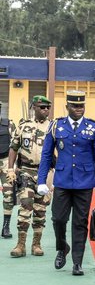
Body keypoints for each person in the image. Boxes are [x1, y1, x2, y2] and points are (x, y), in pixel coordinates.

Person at [37, 90, 95, 276]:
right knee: (58, 219)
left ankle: (78, 262)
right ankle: (62, 247)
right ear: (67, 106)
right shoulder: (56, 126)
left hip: (84, 183)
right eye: (75, 106)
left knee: (80, 222)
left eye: (81, 106)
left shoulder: (94, 128)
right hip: (62, 181)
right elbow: (46, 155)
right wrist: (41, 180)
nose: (79, 109)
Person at [7, 96, 53, 257]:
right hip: (26, 171)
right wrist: (11, 169)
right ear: (34, 107)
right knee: (25, 205)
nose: (46, 110)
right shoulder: (23, 127)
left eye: (48, 107)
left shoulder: (53, 128)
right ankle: (20, 245)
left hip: (46, 173)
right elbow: (14, 147)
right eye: (42, 107)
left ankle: (36, 244)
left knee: (40, 209)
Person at [0, 103, 18, 239]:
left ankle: (5, 227)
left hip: (6, 162)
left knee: (8, 195)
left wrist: (14, 167)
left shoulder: (9, 125)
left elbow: (16, 145)